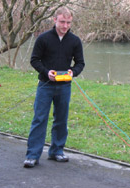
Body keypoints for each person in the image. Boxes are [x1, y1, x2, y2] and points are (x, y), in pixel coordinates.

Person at [24, 6, 85, 168]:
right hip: (45, 85)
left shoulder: (74, 41)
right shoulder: (43, 39)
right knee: (39, 119)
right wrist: (46, 72)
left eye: (68, 22)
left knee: (61, 120)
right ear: (55, 20)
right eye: (62, 22)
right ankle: (32, 155)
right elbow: (34, 60)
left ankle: (56, 151)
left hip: (64, 86)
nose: (65, 26)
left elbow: (80, 63)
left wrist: (73, 71)